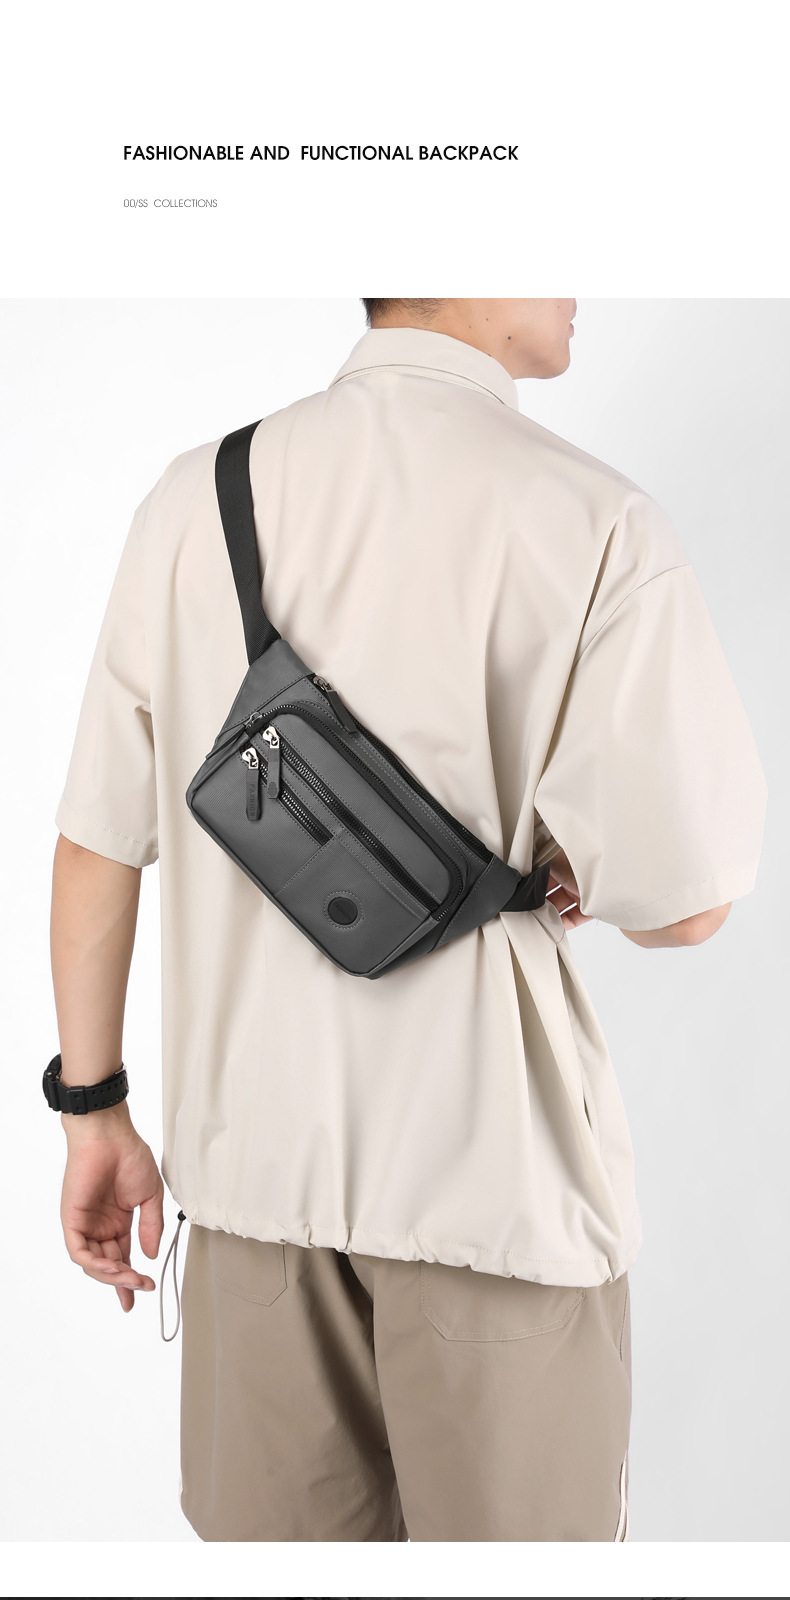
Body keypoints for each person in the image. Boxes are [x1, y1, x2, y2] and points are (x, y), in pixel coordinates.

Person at [49, 299, 767, 1542]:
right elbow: (690, 903)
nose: (578, 285)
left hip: (252, 1204)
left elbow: (95, 845)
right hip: (498, 1206)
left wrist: (94, 1112)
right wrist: (565, 864)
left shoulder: (192, 500)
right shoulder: (595, 523)